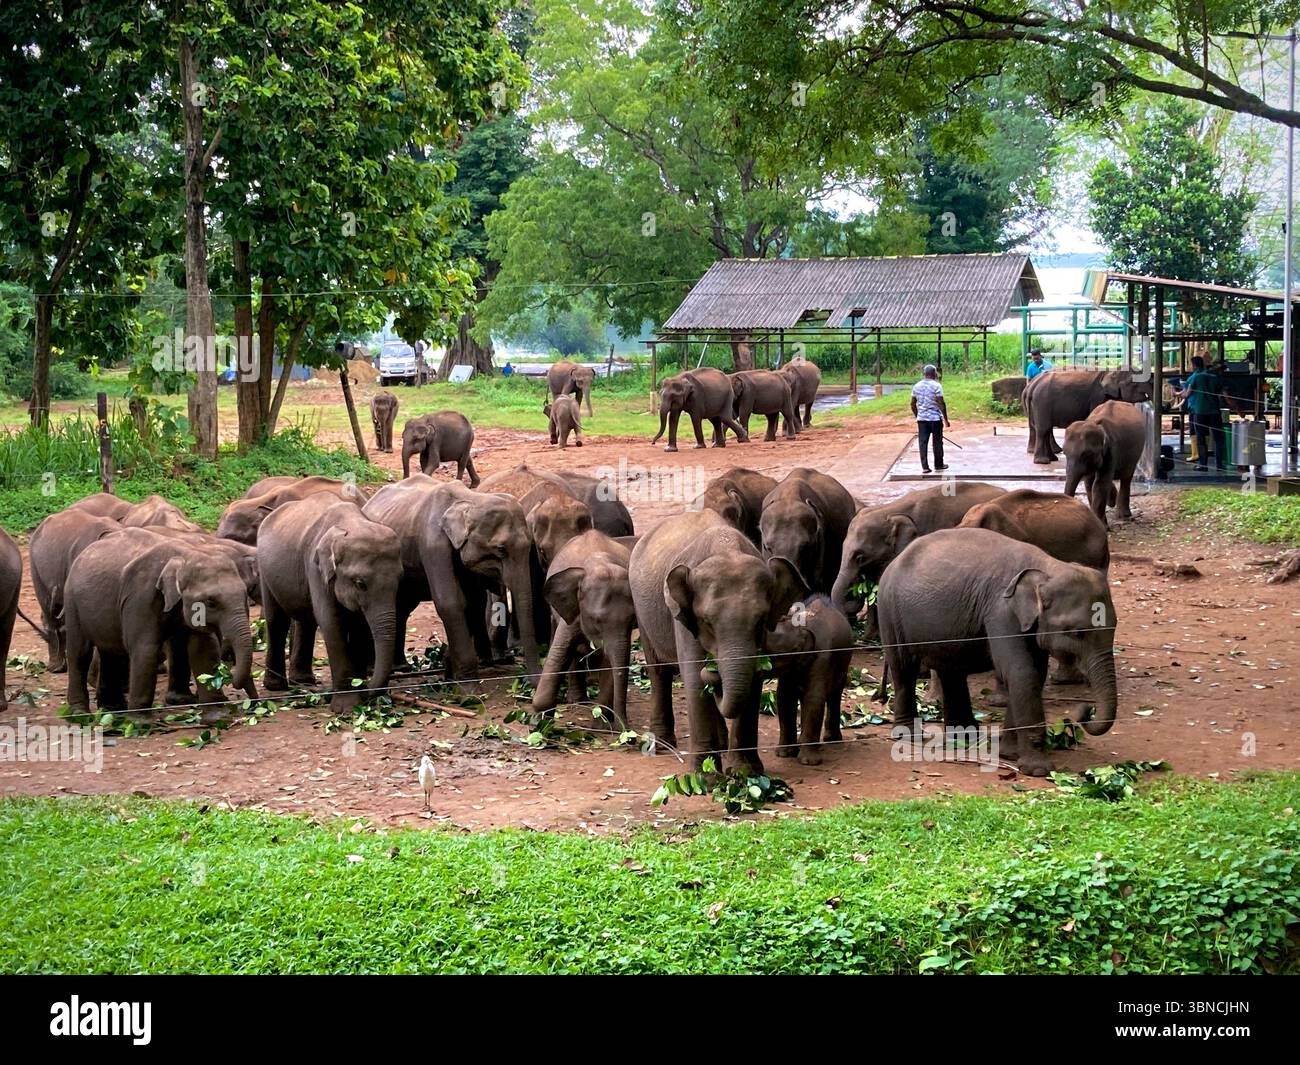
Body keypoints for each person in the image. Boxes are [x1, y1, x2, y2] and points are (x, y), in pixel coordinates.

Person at [1179, 355, 1240, 471]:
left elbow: (1187, 394)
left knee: (1201, 438)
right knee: (1218, 438)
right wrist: (1236, 407)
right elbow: (1226, 396)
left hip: (1200, 411)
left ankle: (1203, 465)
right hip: (1214, 411)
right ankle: (1219, 465)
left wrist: (1178, 394)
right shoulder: (1216, 377)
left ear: (1194, 365)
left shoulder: (1196, 377)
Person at [911, 364, 950, 473]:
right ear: (934, 374)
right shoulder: (937, 386)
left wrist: (917, 415)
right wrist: (946, 419)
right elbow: (941, 403)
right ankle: (938, 464)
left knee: (923, 442)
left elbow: (912, 404)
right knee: (937, 442)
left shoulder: (916, 386)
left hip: (922, 420)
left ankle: (925, 467)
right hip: (935, 419)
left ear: (924, 374)